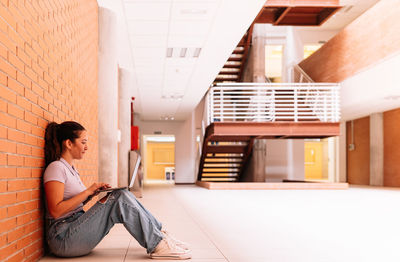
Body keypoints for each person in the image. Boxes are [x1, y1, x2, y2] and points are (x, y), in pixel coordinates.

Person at [43, 121, 191, 259]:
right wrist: (88, 191)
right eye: (83, 142)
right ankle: (158, 244)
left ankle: (159, 236)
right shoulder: (56, 168)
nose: (86, 147)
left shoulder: (71, 169)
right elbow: (55, 210)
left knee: (121, 194)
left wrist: (93, 194)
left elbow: (73, 203)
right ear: (69, 143)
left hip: (75, 226)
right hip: (62, 238)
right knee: (118, 197)